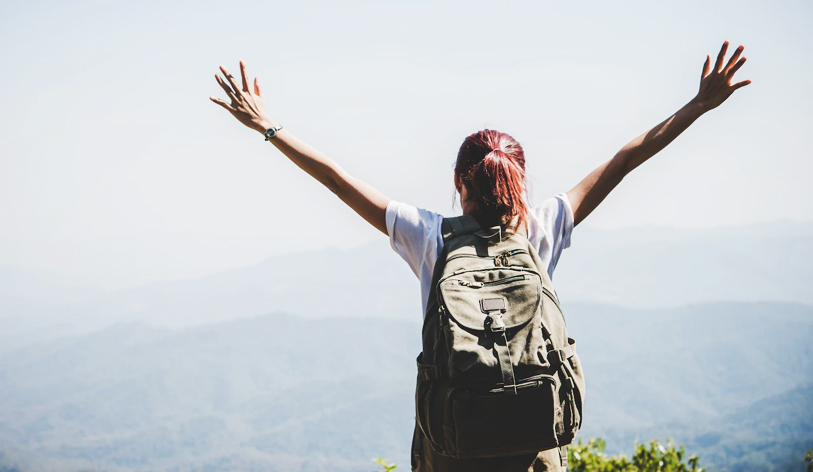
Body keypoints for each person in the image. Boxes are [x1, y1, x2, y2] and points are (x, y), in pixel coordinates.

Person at [210, 41, 749, 472]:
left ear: (457, 182)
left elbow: (335, 178)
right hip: (533, 449)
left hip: (453, 446)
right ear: (519, 178)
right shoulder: (541, 227)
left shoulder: (428, 235)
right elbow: (625, 159)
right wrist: (698, 106)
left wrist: (267, 126)